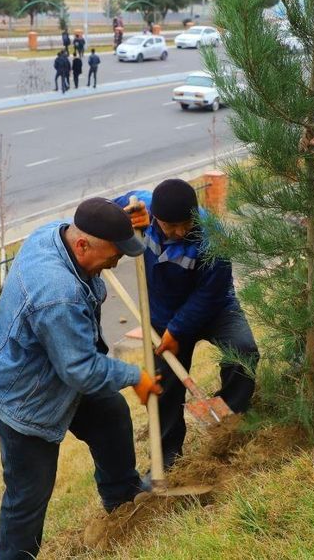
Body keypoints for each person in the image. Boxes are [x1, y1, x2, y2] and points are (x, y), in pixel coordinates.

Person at [0, 198, 163, 560]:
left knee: (110, 415)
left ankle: (123, 501)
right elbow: (80, 369)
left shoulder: (57, 233)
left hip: (57, 374)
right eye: (113, 255)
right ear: (83, 245)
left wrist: (124, 218)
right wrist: (135, 376)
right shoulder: (57, 293)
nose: (115, 263)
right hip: (24, 399)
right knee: (28, 496)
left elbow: (93, 219)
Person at [115, 180, 259, 471]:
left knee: (244, 351)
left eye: (186, 224)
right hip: (162, 316)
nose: (180, 231)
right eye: (172, 226)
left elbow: (210, 294)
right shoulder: (143, 208)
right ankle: (167, 456)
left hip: (216, 309)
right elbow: (104, 212)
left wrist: (178, 330)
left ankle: (231, 415)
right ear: (156, 217)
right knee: (164, 386)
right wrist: (124, 216)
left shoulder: (213, 237)